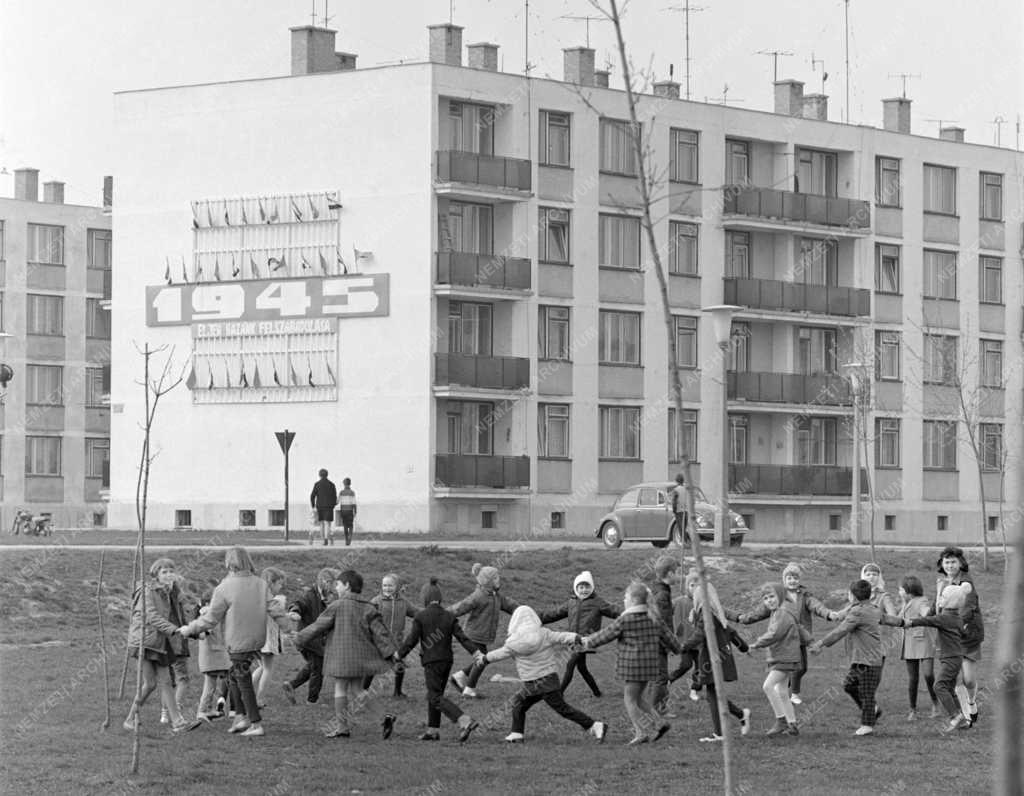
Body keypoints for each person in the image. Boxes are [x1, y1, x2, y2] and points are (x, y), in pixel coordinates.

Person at [179, 546, 293, 738]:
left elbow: (210, 619)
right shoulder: (260, 584)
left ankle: (254, 722)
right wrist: (289, 629)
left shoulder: (224, 588)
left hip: (238, 640)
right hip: (256, 639)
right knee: (234, 675)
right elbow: (275, 609)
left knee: (243, 679)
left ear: (229, 563)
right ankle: (240, 716)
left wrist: (189, 629)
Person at [292, 570, 402, 739]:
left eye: (338, 584)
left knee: (340, 688)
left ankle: (342, 728)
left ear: (347, 586)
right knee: (358, 689)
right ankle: (384, 717)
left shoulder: (337, 606)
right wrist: (391, 652)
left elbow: (318, 626)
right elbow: (381, 633)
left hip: (342, 657)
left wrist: (299, 638)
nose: (336, 587)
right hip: (361, 659)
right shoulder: (368, 607)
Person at [484, 606, 607, 744]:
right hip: (546, 680)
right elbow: (561, 636)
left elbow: (499, 653)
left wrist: (485, 658)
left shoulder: (513, 643)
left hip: (535, 683)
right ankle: (516, 734)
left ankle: (595, 725)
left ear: (515, 622)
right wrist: (576, 637)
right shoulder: (544, 633)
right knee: (519, 705)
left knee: (563, 709)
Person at [584, 582, 680, 746]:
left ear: (634, 600)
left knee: (629, 700)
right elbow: (672, 640)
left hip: (632, 667)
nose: (624, 598)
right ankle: (659, 723)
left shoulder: (625, 619)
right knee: (638, 698)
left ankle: (643, 730)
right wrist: (678, 649)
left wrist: (587, 642)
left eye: (626, 596)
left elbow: (605, 635)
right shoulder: (654, 618)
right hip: (650, 667)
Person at [735, 562, 838, 705]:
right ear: (784, 580)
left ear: (800, 580)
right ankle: (793, 693)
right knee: (793, 666)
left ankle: (785, 687)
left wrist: (828, 614)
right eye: (789, 577)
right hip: (784, 639)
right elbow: (760, 612)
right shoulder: (778, 595)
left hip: (800, 637)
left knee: (802, 668)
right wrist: (742, 618)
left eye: (795, 577)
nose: (793, 580)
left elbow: (817, 606)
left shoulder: (805, 596)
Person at [123, 558, 203, 734]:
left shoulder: (170, 591)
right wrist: (175, 630)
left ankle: (177, 722)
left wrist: (195, 629)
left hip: (159, 641)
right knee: (150, 684)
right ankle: (130, 718)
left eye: (170, 571)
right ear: (156, 575)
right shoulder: (147, 591)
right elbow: (151, 617)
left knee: (165, 682)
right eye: (164, 572)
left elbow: (182, 611)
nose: (168, 575)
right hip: (144, 641)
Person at [396, 577, 480, 742]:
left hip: (431, 661)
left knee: (434, 697)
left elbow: (411, 640)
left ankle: (464, 720)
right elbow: (462, 637)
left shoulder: (421, 616)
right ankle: (432, 731)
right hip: (447, 660)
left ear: (424, 598)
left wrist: (399, 654)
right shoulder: (448, 615)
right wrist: (476, 652)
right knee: (435, 694)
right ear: (439, 598)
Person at [882, 582, 971, 734]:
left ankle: (955, 716)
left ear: (949, 601)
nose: (940, 598)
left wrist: (909, 623)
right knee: (949, 688)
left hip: (950, 659)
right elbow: (963, 634)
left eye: (943, 596)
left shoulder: (944, 618)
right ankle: (962, 720)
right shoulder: (956, 617)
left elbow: (927, 620)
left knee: (939, 686)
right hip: (955, 658)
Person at [678, 571, 750, 743]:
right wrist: (744, 647)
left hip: (712, 659)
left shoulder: (706, 613)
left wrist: (682, 646)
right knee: (714, 694)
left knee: (713, 695)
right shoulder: (714, 611)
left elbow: (699, 635)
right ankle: (739, 716)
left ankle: (722, 731)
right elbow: (730, 632)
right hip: (718, 658)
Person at [808, 579, 884, 737]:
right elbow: (887, 618)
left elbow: (840, 631)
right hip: (860, 659)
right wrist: (905, 622)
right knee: (849, 685)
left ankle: (867, 725)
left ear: (852, 596)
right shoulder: (869, 608)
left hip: (869, 660)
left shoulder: (858, 612)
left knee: (866, 692)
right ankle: (872, 710)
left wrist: (820, 644)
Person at [538, 570, 620, 697]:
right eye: (581, 587)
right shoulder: (571, 602)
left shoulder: (597, 602)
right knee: (582, 668)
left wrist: (631, 613)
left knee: (570, 665)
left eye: (587, 587)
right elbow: (555, 613)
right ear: (576, 588)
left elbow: (613, 610)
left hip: (588, 640)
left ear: (592, 587)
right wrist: (537, 618)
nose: (584, 590)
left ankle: (559, 693)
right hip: (574, 640)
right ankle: (597, 693)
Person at [448, 563, 519, 698]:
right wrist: (443, 614)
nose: (499, 580)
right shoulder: (478, 596)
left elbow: (510, 605)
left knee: (482, 659)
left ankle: (460, 676)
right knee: (482, 659)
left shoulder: (496, 596)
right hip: (474, 634)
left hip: (483, 635)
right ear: (488, 582)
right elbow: (461, 607)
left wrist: (524, 611)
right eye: (496, 578)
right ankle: (469, 689)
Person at [748, 583, 810, 737]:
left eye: (772, 596)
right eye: (766, 598)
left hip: (785, 657)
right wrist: (811, 642)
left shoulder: (782, 613)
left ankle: (781, 721)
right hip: (785, 657)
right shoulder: (779, 612)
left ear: (780, 596)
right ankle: (792, 724)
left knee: (767, 686)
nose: (769, 600)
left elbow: (774, 634)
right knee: (781, 691)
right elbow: (800, 629)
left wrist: (756, 644)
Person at [936, 546, 984, 725]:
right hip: (950, 638)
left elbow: (968, 608)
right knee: (956, 679)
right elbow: (940, 607)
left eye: (953, 562)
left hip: (968, 635)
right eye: (946, 562)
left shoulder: (966, 582)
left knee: (969, 679)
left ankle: (972, 703)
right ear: (942, 563)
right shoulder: (943, 581)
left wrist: (953, 624)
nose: (949, 565)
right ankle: (965, 716)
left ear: (961, 563)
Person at [283, 567, 338, 705]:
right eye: (333, 584)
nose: (335, 587)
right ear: (325, 582)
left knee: (314, 666)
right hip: (307, 640)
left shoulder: (327, 595)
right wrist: (294, 611)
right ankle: (311, 701)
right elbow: (298, 604)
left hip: (317, 640)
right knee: (317, 669)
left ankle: (291, 685)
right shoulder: (309, 595)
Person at [363, 573, 417, 698]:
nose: (387, 588)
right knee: (372, 667)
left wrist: (429, 614)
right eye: (384, 585)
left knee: (399, 665)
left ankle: (397, 692)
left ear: (397, 587)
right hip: (379, 641)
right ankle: (363, 691)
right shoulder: (376, 601)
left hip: (397, 642)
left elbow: (415, 612)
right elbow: (366, 618)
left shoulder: (403, 602)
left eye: (390, 586)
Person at [896, 575, 939, 720]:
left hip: (924, 642)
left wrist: (932, 608)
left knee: (928, 675)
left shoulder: (921, 600)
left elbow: (926, 613)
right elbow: (898, 619)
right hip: (909, 645)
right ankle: (913, 710)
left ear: (909, 590)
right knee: (913, 678)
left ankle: (935, 704)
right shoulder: (905, 602)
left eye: (901, 590)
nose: (899, 592)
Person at [250, 567, 287, 708]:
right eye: (279, 584)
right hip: (268, 639)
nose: (281, 587)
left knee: (261, 666)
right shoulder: (274, 601)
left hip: (257, 638)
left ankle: (247, 693)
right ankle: (259, 698)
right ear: (271, 582)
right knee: (268, 668)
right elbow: (278, 617)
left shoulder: (256, 596)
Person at [650, 556, 680, 716]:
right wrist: (669, 643)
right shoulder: (662, 594)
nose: (679, 576)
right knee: (660, 677)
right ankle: (656, 709)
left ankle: (658, 706)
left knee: (658, 675)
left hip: (656, 641)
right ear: (669, 574)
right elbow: (661, 623)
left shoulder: (661, 590)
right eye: (677, 572)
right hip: (658, 642)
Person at [195, 588, 231, 721]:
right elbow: (203, 633)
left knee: (213, 684)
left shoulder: (212, 615)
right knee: (210, 684)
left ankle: (208, 709)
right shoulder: (207, 616)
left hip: (216, 655)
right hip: (212, 656)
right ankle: (202, 710)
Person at [310, 468, 338, 546]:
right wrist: (333, 504)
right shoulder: (332, 484)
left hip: (320, 506)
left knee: (321, 523)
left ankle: (323, 539)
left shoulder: (317, 484)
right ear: (327, 475)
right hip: (329, 506)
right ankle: (326, 539)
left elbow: (312, 496)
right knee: (327, 523)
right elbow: (334, 497)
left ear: (319, 475)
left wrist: (313, 506)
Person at [337, 477, 357, 546]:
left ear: (344, 484)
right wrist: (355, 511)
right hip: (350, 510)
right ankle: (350, 538)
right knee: (351, 525)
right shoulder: (352, 492)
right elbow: (354, 503)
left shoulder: (341, 492)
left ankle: (346, 540)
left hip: (343, 510)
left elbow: (337, 502)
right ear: (350, 484)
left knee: (345, 525)